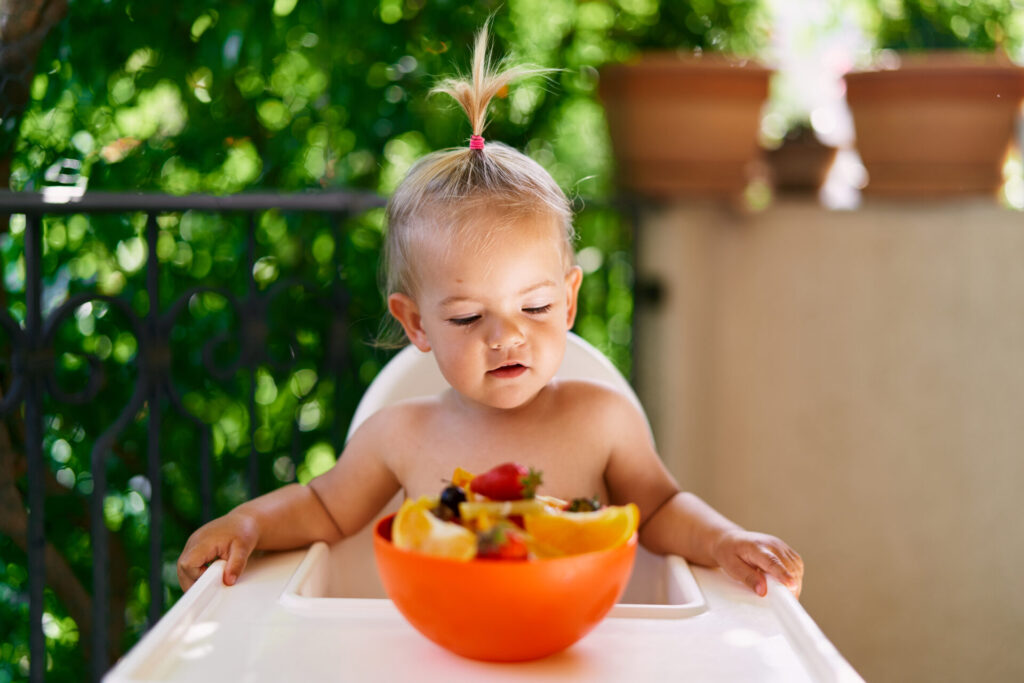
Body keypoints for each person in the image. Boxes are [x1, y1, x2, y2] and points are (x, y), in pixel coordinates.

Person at [177, 24, 804, 599]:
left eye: (534, 306)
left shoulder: (603, 421)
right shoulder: (399, 436)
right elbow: (322, 507)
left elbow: (661, 511)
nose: (506, 336)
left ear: (569, 302)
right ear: (416, 324)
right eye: (468, 318)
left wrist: (725, 541)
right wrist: (248, 522)